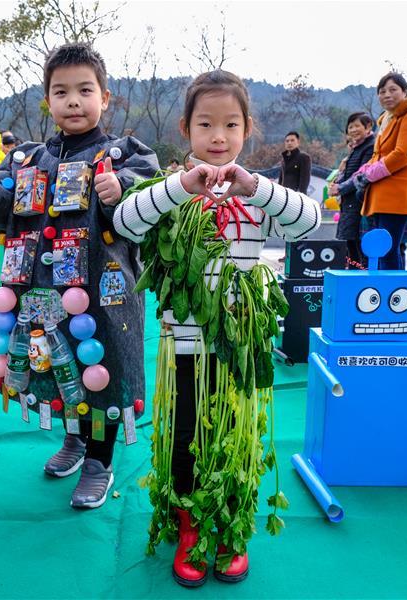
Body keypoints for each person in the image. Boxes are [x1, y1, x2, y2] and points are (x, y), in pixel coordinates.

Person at [114, 70, 321, 586]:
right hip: (183, 342)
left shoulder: (257, 197)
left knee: (233, 432)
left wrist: (255, 186)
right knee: (185, 432)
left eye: (230, 125)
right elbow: (124, 222)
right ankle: (188, 523)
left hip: (239, 345)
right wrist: (182, 186)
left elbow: (309, 223)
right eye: (205, 124)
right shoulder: (168, 192)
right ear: (186, 128)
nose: (218, 136)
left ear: (247, 129)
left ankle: (229, 525)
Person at [0, 42, 159, 510]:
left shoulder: (125, 154)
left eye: (85, 90)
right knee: (54, 369)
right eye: (61, 91)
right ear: (47, 100)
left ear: (105, 97)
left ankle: (99, 460)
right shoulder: (27, 159)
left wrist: (120, 188)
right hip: (40, 292)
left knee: (102, 371)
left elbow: (151, 196)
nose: (73, 101)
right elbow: (4, 206)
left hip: (102, 293)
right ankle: (73, 439)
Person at [359, 73, 407, 270]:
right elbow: (377, 154)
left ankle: (393, 296)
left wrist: (371, 173)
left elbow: (403, 154)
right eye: (382, 92)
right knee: (382, 250)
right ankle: (386, 293)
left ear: (404, 92)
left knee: (389, 250)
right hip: (381, 195)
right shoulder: (387, 120)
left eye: (393, 90)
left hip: (397, 195)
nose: (387, 95)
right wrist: (362, 173)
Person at [329, 112, 375, 266]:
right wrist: (337, 183)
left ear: (368, 126)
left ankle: (359, 277)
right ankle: (353, 274)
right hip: (348, 204)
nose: (353, 130)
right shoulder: (356, 148)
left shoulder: (370, 146)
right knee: (349, 243)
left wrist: (340, 188)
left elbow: (362, 174)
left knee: (358, 245)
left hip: (358, 202)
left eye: (357, 126)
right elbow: (349, 172)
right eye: (350, 127)